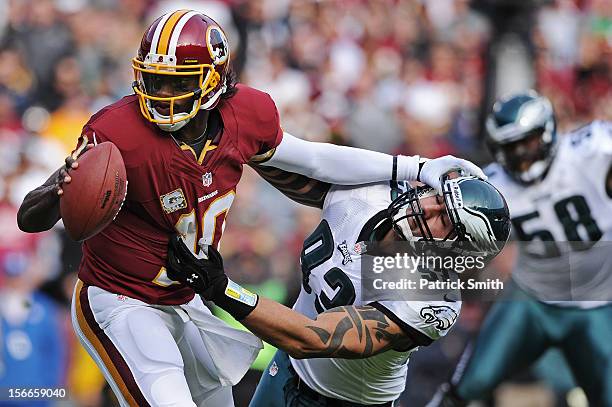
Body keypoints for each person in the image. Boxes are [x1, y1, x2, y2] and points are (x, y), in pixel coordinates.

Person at [16, 9, 486, 407]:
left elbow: (315, 158)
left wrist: (416, 167)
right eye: (152, 80)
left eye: (174, 82)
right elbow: (31, 218)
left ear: (213, 82)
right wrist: (59, 188)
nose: (159, 93)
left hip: (187, 299)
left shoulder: (247, 116)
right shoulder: (116, 131)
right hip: (120, 297)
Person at [165, 172, 511, 406]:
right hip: (286, 372)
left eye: (445, 220)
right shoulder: (370, 195)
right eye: (437, 198)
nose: (427, 207)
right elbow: (285, 159)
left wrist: (222, 288)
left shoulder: (431, 300)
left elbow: (313, 339)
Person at [428, 91, 612, 406]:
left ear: (548, 133)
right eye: (510, 148)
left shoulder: (592, 150)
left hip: (598, 301)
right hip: (531, 299)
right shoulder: (493, 184)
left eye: (526, 143)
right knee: (468, 387)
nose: (521, 156)